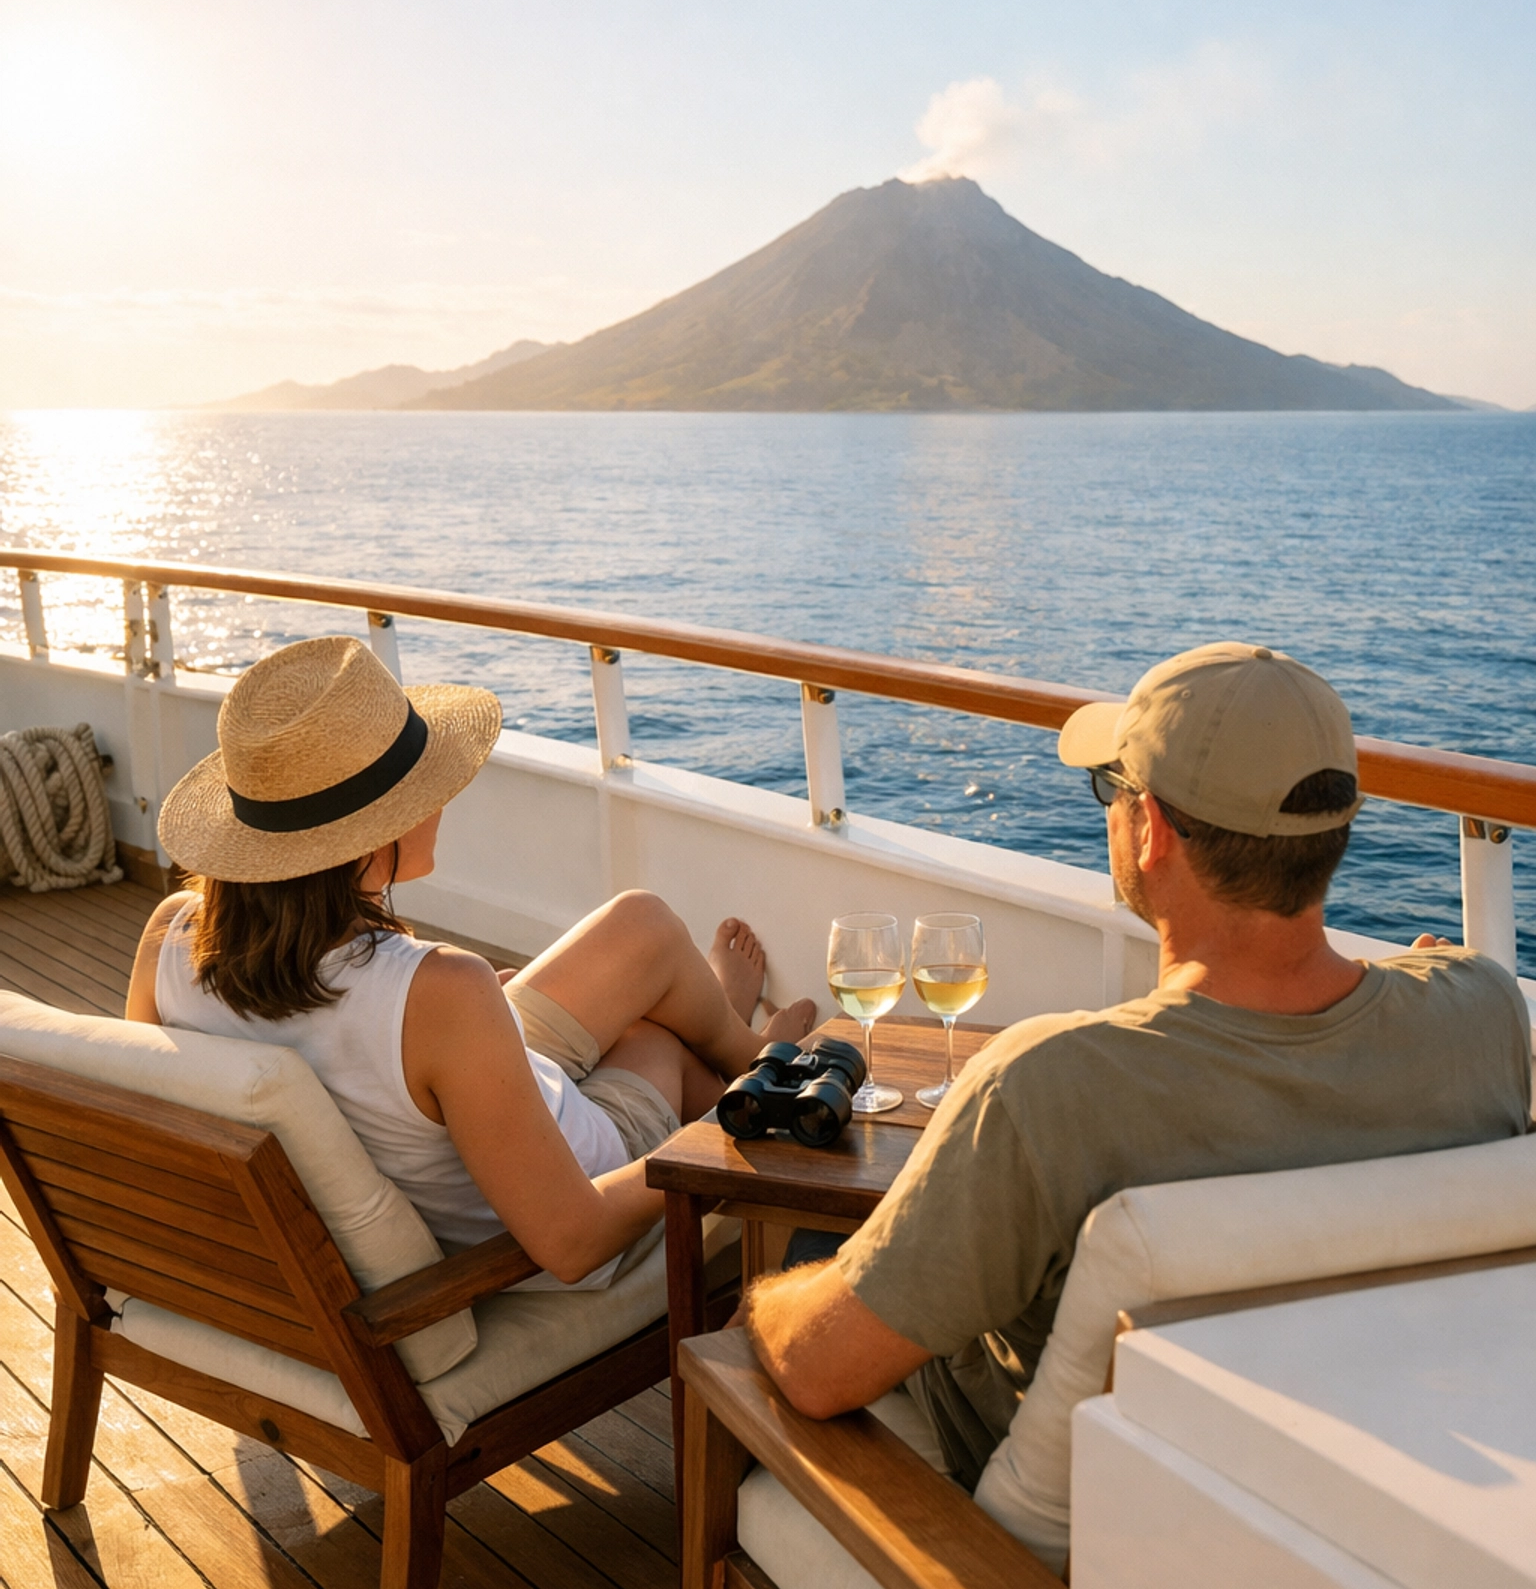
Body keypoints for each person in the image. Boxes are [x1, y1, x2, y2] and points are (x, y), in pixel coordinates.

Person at [743, 642, 1533, 1485]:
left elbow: (816, 1372)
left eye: (1109, 790)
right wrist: (1432, 980)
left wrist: (762, 1301)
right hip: (1352, 1482)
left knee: (803, 1255)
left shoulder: (1047, 1087)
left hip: (1041, 1561)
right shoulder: (1483, 1011)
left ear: (1151, 829)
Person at [126, 635, 815, 1287]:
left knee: (642, 923)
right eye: (423, 787)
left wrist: (485, 1019)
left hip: (444, 1092)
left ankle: (742, 1032)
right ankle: (760, 1063)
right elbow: (573, 1243)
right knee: (654, 1041)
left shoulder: (171, 935)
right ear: (369, 839)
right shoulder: (438, 991)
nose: (445, 796)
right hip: (560, 1187)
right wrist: (723, 1128)